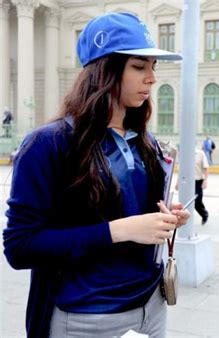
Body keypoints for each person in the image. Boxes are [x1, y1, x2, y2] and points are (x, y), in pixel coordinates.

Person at [2, 12, 190, 338]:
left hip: (151, 307)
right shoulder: (48, 144)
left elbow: (136, 216)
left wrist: (164, 219)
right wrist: (117, 230)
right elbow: (20, 248)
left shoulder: (145, 141)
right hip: (85, 318)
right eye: (138, 66)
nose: (151, 78)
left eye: (153, 67)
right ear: (105, 70)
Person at [195, 145, 210, 225]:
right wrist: (178, 183)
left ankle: (204, 214)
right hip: (187, 182)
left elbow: (206, 168)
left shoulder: (201, 154)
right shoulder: (184, 153)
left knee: (197, 201)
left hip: (198, 181)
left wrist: (205, 180)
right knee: (187, 202)